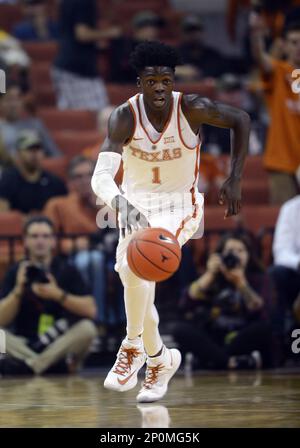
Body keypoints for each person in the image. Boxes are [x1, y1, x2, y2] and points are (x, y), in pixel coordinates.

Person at [91, 41, 250, 402]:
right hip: (136, 206)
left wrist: (235, 176)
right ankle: (160, 359)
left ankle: (131, 346)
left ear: (173, 81)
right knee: (131, 272)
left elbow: (241, 119)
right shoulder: (124, 116)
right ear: (139, 83)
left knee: (140, 272)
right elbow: (100, 177)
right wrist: (119, 201)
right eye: (151, 81)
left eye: (166, 80)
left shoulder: (192, 107)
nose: (160, 87)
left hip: (181, 206)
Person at [0, 216, 97, 376]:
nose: (40, 241)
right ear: (25, 241)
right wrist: (18, 290)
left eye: (45, 236)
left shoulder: (66, 270)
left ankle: (31, 366)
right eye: (34, 236)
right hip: (23, 343)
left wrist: (57, 294)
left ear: (53, 241)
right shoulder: (16, 271)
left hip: (58, 343)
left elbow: (91, 310)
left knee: (88, 329)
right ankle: (47, 365)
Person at [173, 233, 274, 370]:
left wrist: (241, 283)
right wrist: (209, 275)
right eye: (230, 251)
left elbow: (262, 313)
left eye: (240, 251)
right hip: (213, 337)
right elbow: (185, 304)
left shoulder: (258, 279)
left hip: (240, 337)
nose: (235, 255)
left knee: (264, 329)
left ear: (248, 255)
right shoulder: (212, 277)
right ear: (220, 255)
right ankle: (230, 362)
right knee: (180, 329)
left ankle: (213, 361)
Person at [44, 155, 121, 326]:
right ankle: (96, 319)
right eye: (78, 177)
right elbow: (47, 238)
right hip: (73, 258)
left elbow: (123, 228)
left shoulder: (107, 202)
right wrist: (73, 245)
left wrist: (99, 204)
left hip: (110, 254)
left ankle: (124, 322)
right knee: (91, 260)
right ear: (70, 182)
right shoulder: (58, 204)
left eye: (89, 175)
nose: (84, 181)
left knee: (129, 262)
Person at [250, 14, 300, 204]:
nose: (298, 47)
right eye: (294, 42)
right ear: (284, 45)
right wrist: (256, 34)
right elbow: (260, 58)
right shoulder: (279, 72)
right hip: (282, 162)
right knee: (284, 218)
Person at [52, 0, 119, 110]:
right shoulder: (84, 2)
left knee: (72, 116)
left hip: (67, 66)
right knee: (98, 113)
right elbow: (82, 34)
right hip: (77, 69)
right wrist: (110, 33)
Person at [0, 129, 67, 214]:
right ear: (18, 153)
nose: (34, 153)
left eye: (38, 148)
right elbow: (3, 215)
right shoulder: (8, 179)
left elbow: (63, 212)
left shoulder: (55, 182)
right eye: (29, 149)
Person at [269, 194, 300, 358]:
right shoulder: (291, 208)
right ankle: (279, 341)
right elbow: (281, 252)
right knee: (276, 273)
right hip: (297, 272)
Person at [0, 84, 61, 158]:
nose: (13, 105)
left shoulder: (36, 124)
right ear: (1, 103)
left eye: (17, 99)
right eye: (9, 100)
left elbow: (55, 154)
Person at [109, 11, 162, 83]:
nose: (154, 30)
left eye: (155, 27)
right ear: (137, 29)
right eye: (148, 27)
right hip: (127, 86)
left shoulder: (158, 47)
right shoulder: (124, 45)